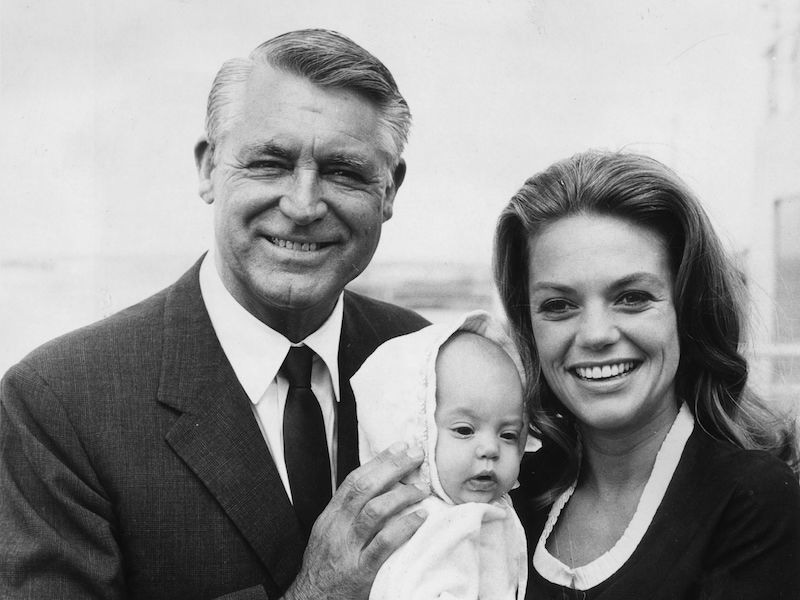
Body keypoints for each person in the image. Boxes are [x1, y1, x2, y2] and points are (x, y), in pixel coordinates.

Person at [0, 29, 433, 600]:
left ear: (390, 190)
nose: (303, 205)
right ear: (208, 169)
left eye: (344, 171)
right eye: (270, 163)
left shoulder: (428, 357)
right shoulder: (60, 402)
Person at [493, 150, 800, 599]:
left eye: (632, 297)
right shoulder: (513, 486)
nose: (595, 334)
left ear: (687, 308)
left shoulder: (753, 501)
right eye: (558, 306)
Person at [352, 311, 532, 600]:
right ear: (415, 431)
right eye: (464, 430)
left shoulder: (484, 512)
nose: (491, 449)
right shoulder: (425, 532)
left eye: (508, 434)